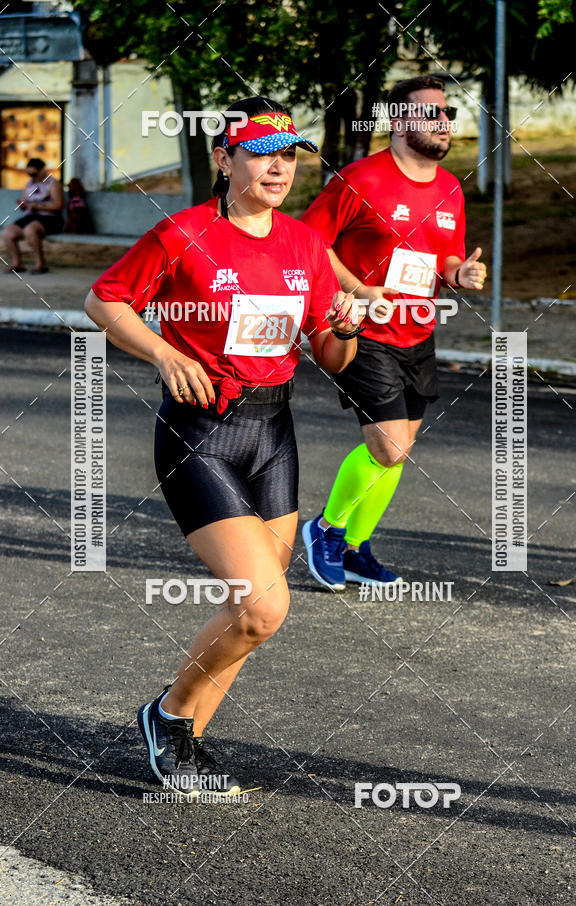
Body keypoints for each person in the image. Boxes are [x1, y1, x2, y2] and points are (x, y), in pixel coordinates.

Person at [84, 96, 363, 798]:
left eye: (289, 155)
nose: (279, 167)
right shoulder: (184, 232)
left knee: (251, 612)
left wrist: (349, 322)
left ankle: (186, 743)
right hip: (200, 430)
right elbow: (105, 300)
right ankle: (168, 716)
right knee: (263, 605)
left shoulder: (303, 244)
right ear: (224, 159)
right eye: (262, 153)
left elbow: (332, 355)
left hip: (274, 433)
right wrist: (160, 353)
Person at [301, 75, 487, 591]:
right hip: (364, 329)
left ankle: (357, 547)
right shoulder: (360, 179)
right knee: (387, 446)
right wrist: (358, 291)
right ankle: (326, 529)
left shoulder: (450, 186)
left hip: (417, 331)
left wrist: (458, 274)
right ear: (399, 122)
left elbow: (443, 255)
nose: (443, 122)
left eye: (447, 113)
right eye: (431, 113)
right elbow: (311, 245)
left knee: (399, 448)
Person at [2, 158, 64, 274]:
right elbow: (25, 202)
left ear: (42, 170)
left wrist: (38, 207)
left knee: (30, 230)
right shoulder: (30, 184)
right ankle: (17, 263)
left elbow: (58, 206)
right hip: (31, 217)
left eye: (34, 174)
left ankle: (41, 264)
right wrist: (23, 204)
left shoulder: (53, 183)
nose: (32, 177)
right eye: (30, 174)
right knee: (7, 232)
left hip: (50, 218)